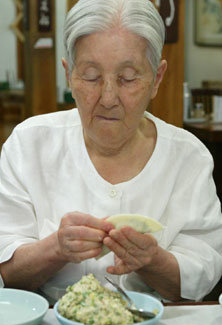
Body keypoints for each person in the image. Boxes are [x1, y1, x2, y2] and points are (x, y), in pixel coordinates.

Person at [0, 0, 221, 304]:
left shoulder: (189, 158)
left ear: (156, 78)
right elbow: (7, 272)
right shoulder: (29, 145)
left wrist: (153, 260)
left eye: (128, 78)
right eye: (91, 76)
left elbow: (203, 275)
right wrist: (56, 248)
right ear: (69, 74)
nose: (107, 98)